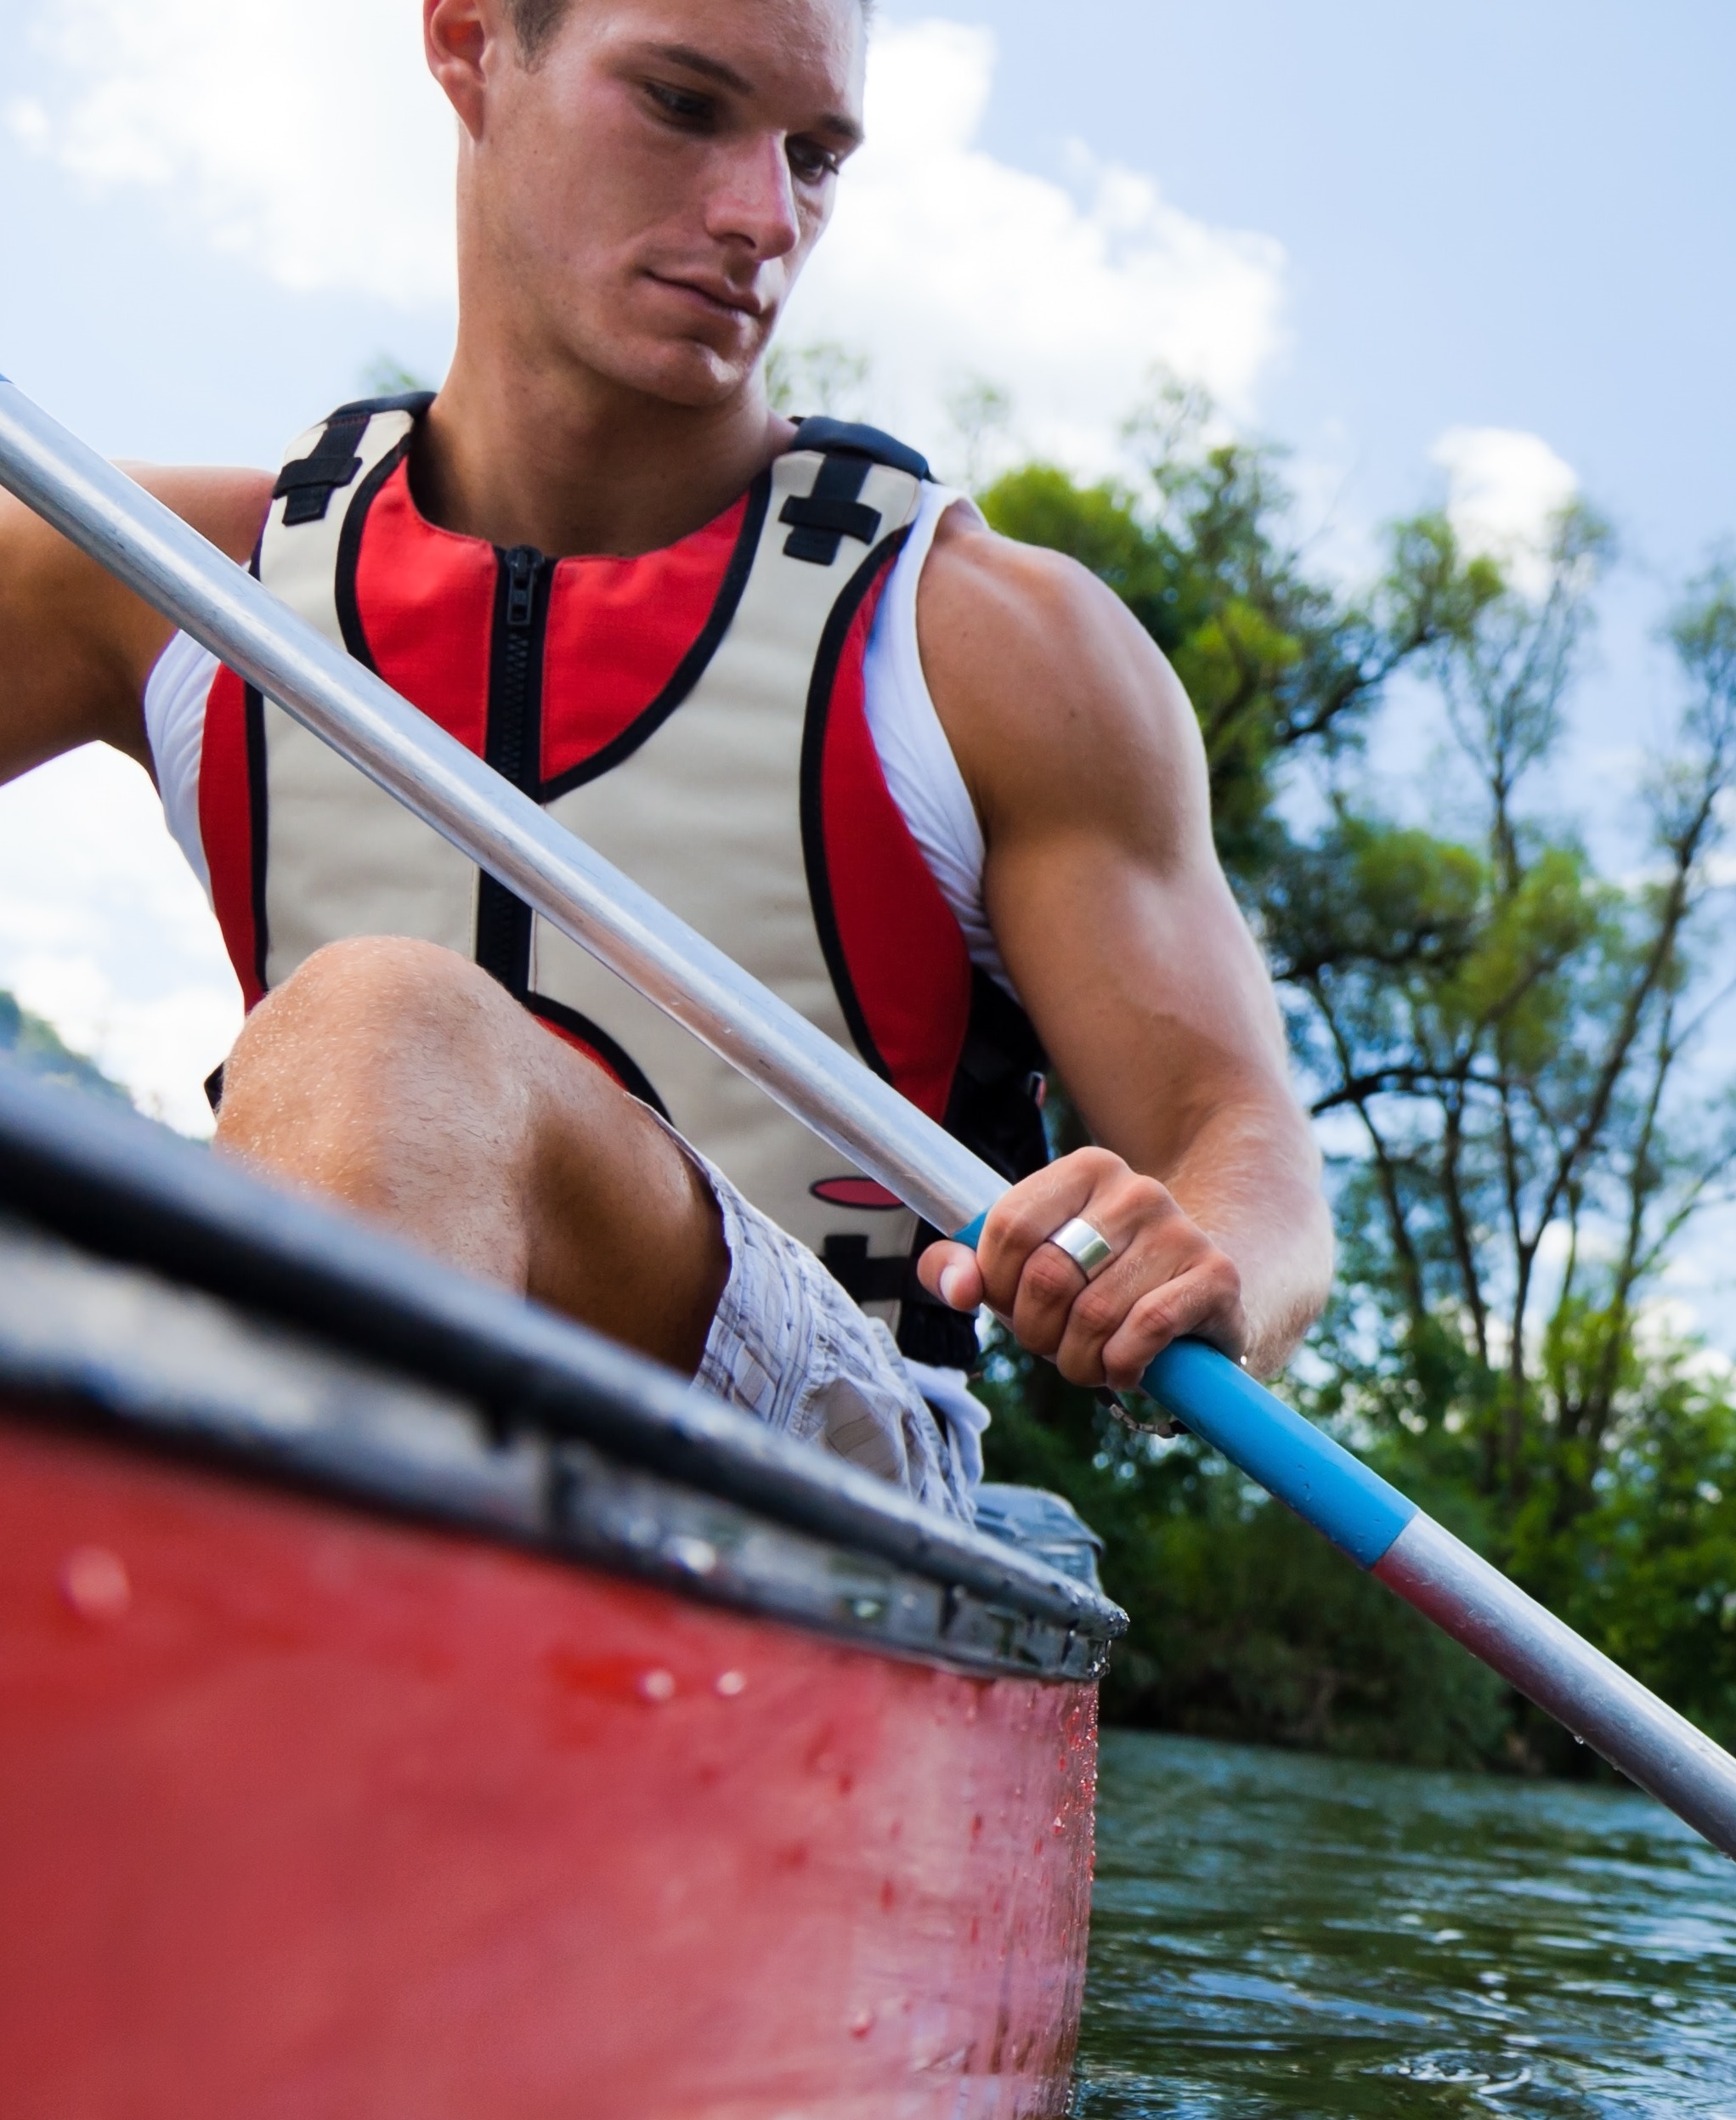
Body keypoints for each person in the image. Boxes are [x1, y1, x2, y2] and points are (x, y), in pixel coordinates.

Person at [0, 0, 1329, 1530]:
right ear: (468, 46)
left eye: (816, 156)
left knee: (387, 1026)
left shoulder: (991, 644)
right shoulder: (166, 574)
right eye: (686, 107)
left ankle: (263, 1673)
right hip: (299, 1351)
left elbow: (1251, 1157)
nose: (764, 218)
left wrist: (1194, 1251)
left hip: (833, 1462)